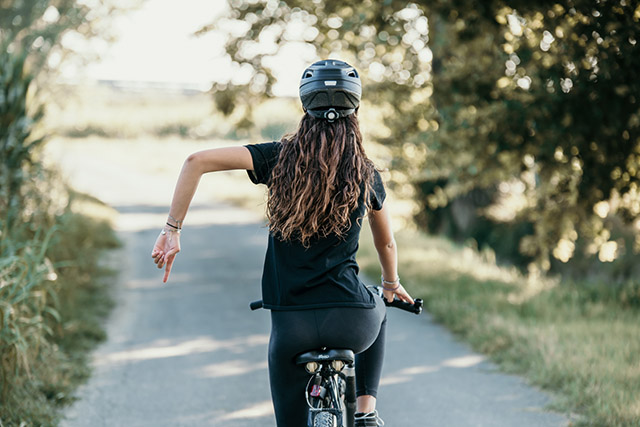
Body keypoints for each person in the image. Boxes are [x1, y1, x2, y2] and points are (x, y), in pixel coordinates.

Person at [151, 59, 414, 427]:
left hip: (292, 327)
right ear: (356, 108)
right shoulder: (364, 172)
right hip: (352, 320)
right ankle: (366, 411)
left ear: (305, 106)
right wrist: (390, 284)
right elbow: (386, 244)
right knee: (380, 303)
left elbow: (196, 161)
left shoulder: (278, 158)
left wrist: (172, 229)